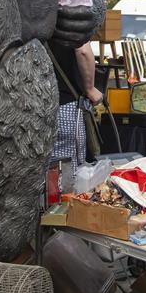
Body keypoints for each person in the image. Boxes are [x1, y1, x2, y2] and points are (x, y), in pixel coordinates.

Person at [48, 40, 104, 192]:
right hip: (64, 106)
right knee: (66, 178)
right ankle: (59, 214)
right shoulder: (69, 18)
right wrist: (90, 88)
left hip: (28, 105)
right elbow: (83, 50)